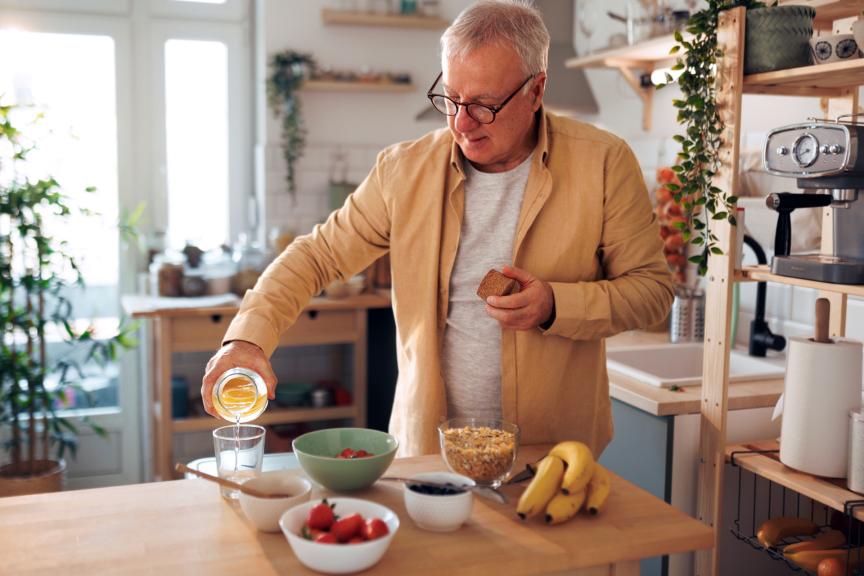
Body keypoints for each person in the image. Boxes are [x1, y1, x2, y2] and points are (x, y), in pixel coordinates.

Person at [202, 0, 673, 457]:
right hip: (427, 452)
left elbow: (652, 292)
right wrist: (246, 339)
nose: (461, 123)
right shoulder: (403, 170)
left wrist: (556, 305)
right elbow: (316, 257)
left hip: (551, 454)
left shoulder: (604, 162)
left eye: (484, 105)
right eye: (450, 97)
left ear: (536, 90)